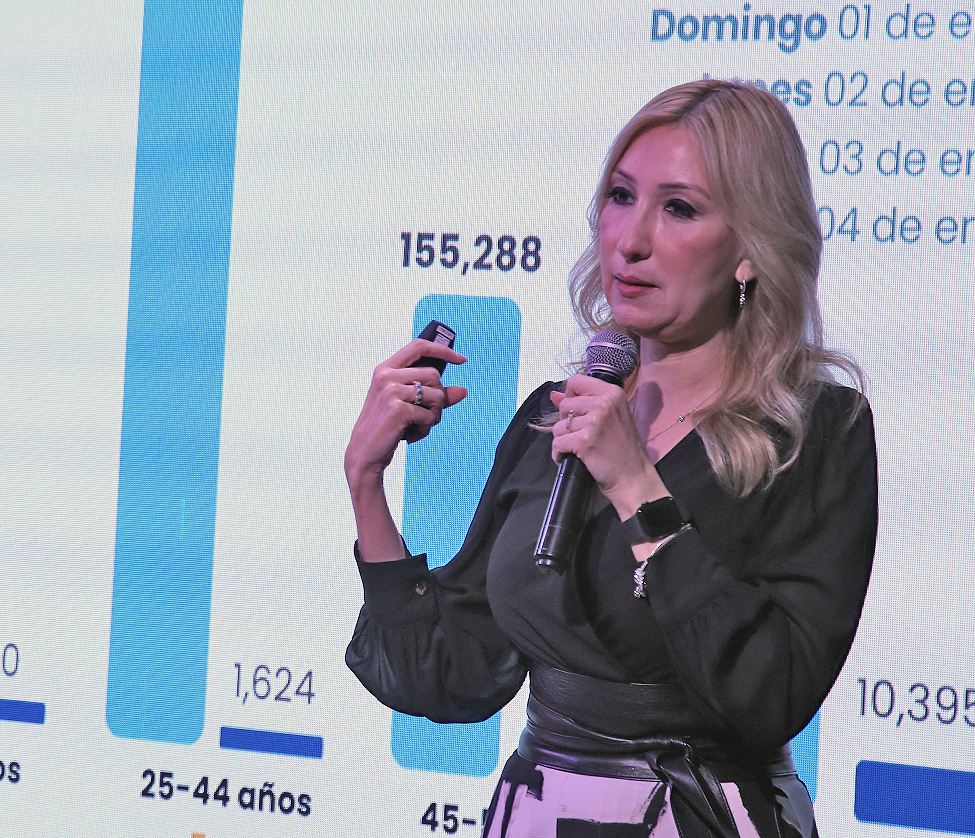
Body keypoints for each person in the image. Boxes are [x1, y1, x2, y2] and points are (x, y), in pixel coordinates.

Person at [343, 79, 878, 838]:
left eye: (680, 209)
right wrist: (366, 482)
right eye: (621, 197)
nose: (630, 239)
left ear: (750, 251)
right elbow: (455, 676)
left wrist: (636, 486)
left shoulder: (817, 432)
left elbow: (773, 691)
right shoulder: (554, 416)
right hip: (538, 814)